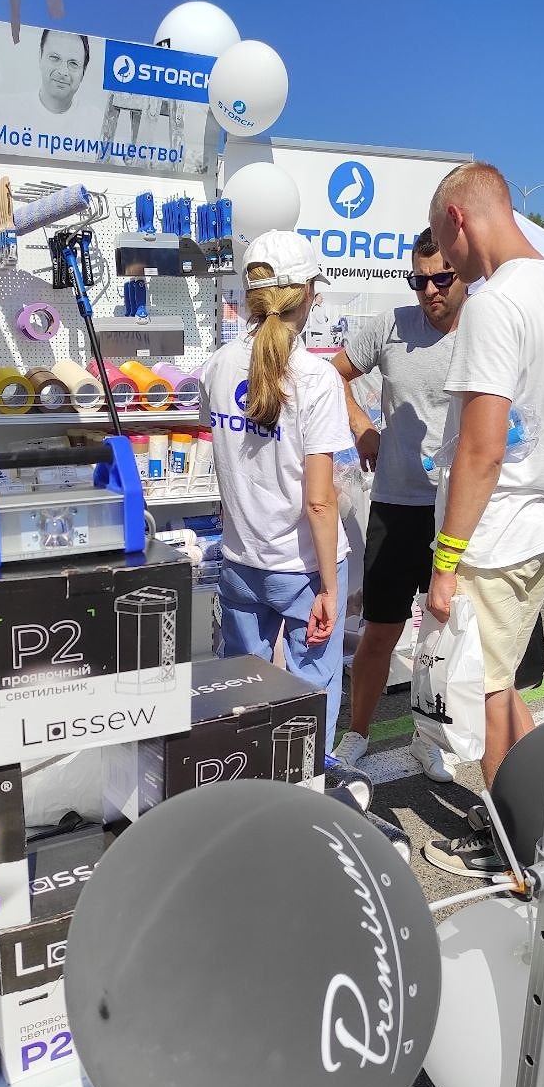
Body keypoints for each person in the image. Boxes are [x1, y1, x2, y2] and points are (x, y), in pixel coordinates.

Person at [422, 161, 544, 877]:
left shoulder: (495, 302)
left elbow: (482, 448)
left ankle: (509, 846)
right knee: (507, 684)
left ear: (458, 220)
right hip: (541, 524)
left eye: (441, 242)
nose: (446, 264)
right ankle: (536, 815)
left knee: (485, 691)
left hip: (494, 535)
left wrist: (445, 560)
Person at [200, 230, 352, 756]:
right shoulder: (315, 377)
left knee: (242, 687)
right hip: (303, 565)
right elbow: (319, 500)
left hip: (242, 558)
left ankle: (244, 778)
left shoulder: (218, 366)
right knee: (310, 689)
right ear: (307, 293)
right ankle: (305, 784)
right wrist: (330, 588)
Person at [331, 227, 468, 781]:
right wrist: (361, 425)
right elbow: (332, 376)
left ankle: (427, 738)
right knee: (381, 632)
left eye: (442, 279)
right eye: (419, 280)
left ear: (462, 274)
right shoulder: (390, 325)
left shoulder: (484, 329)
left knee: (442, 636)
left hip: (454, 510)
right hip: (394, 504)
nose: (430, 290)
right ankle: (357, 733)